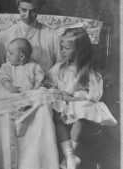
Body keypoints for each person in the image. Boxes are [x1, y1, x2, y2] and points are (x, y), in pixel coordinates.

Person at [0, 0, 73, 169]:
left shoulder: (50, 34)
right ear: (18, 7)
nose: (27, 15)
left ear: (39, 10)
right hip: (13, 91)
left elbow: (59, 67)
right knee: (3, 112)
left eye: (33, 12)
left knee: (41, 112)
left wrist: (46, 86)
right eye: (23, 10)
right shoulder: (6, 35)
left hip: (40, 90)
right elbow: (1, 67)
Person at [47, 27, 117, 169]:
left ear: (79, 50)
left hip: (78, 105)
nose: (62, 51)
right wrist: (59, 92)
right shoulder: (59, 68)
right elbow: (50, 84)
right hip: (62, 105)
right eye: (61, 47)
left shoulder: (88, 72)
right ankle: (70, 156)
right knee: (56, 115)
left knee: (81, 117)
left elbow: (94, 96)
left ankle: (69, 160)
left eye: (67, 48)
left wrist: (74, 97)